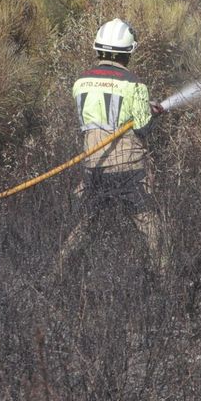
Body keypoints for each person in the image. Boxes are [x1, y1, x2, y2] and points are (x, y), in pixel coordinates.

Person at [62, 19, 166, 264]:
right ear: (129, 52)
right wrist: (149, 112)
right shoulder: (135, 85)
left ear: (98, 48)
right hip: (128, 171)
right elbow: (142, 128)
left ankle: (55, 274)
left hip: (93, 168)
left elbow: (100, 112)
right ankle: (165, 281)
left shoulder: (80, 83)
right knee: (152, 230)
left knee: (83, 226)